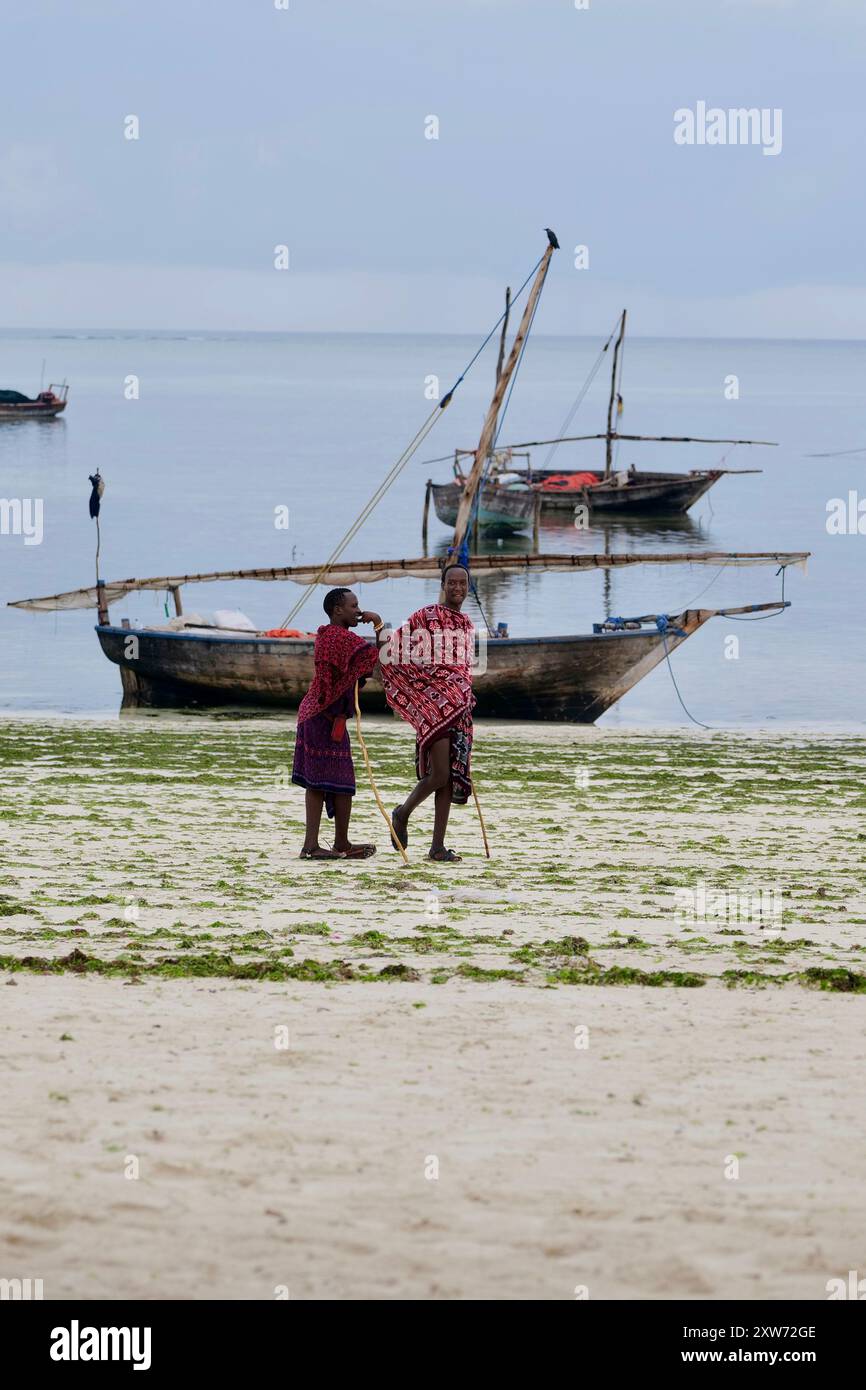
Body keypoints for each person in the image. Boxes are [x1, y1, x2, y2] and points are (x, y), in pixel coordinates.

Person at [381, 563, 475, 863]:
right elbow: (393, 649)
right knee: (439, 775)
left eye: (462, 583)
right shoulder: (426, 616)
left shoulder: (466, 624)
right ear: (443, 584)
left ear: (468, 586)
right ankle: (402, 812)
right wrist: (422, 688)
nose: (457, 588)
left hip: (459, 708)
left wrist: (464, 690)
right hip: (433, 708)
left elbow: (461, 667)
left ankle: (437, 847)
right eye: (452, 583)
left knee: (448, 777)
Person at [292, 587, 386, 859]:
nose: (359, 610)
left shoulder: (340, 637)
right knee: (317, 782)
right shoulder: (336, 637)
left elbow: (360, 665)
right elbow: (378, 656)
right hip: (319, 716)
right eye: (353, 606)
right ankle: (310, 846)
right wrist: (378, 623)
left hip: (332, 719)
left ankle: (341, 843)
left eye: (359, 606)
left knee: (342, 781)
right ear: (337, 610)